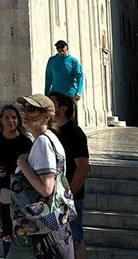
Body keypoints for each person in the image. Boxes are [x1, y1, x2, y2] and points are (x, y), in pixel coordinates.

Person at [7, 93, 75, 259]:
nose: (25, 113)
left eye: (31, 109)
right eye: (24, 108)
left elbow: (46, 188)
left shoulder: (43, 142)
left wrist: (21, 163)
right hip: (44, 227)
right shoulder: (50, 139)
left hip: (34, 233)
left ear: (47, 116)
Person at [0, 104, 32, 256]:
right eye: (7, 117)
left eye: (14, 118)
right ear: (1, 120)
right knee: (5, 228)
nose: (11, 121)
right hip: (0, 189)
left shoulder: (25, 142)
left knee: (22, 227)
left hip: (20, 191)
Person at [50, 92, 90, 259]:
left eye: (51, 104)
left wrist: (69, 196)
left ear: (62, 108)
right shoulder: (52, 132)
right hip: (53, 198)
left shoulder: (75, 133)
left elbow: (82, 167)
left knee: (75, 239)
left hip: (70, 198)